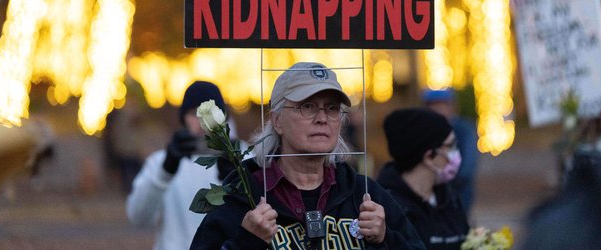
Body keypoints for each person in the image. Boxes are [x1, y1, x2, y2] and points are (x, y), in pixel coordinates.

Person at [190, 62, 425, 250]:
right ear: (277, 120)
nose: (322, 117)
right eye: (308, 107)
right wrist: (246, 242)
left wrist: (385, 239)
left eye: (332, 108)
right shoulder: (244, 195)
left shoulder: (364, 195)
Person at [126, 81, 234, 249]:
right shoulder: (160, 162)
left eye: (208, 113)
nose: (201, 121)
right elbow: (137, 217)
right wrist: (165, 171)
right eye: (193, 113)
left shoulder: (242, 158)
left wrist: (236, 179)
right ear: (183, 118)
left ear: (222, 116)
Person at [377, 108, 469, 250]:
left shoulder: (449, 197)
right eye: (450, 146)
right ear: (429, 157)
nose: (456, 152)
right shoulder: (388, 207)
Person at [422, 88, 478, 214]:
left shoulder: (464, 130)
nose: (438, 109)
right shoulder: (422, 130)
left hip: (459, 195)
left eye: (442, 104)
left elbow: (466, 168)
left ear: (452, 106)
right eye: (433, 105)